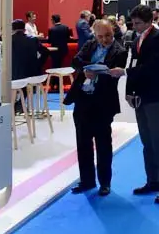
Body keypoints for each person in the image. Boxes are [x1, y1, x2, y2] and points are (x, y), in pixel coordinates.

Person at [109, 5, 159, 203]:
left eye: (138, 23)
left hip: (156, 95)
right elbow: (133, 65)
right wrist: (129, 91)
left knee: (158, 139)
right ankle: (152, 180)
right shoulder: (137, 39)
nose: (134, 26)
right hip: (141, 95)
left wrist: (126, 73)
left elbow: (155, 67)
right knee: (146, 140)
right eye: (133, 23)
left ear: (148, 21)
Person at [66, 20, 127, 197]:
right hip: (83, 99)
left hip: (103, 103)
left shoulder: (120, 51)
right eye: (100, 36)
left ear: (113, 32)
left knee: (103, 145)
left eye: (108, 35)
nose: (105, 40)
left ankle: (105, 183)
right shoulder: (89, 44)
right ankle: (86, 180)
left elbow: (114, 77)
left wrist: (102, 72)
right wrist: (86, 69)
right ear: (95, 34)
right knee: (83, 143)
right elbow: (75, 60)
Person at [48, 14, 73, 91]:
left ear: (53, 20)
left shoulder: (52, 29)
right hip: (63, 51)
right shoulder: (66, 28)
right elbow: (68, 39)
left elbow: (50, 41)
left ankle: (53, 85)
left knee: (54, 68)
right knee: (59, 67)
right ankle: (59, 85)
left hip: (54, 51)